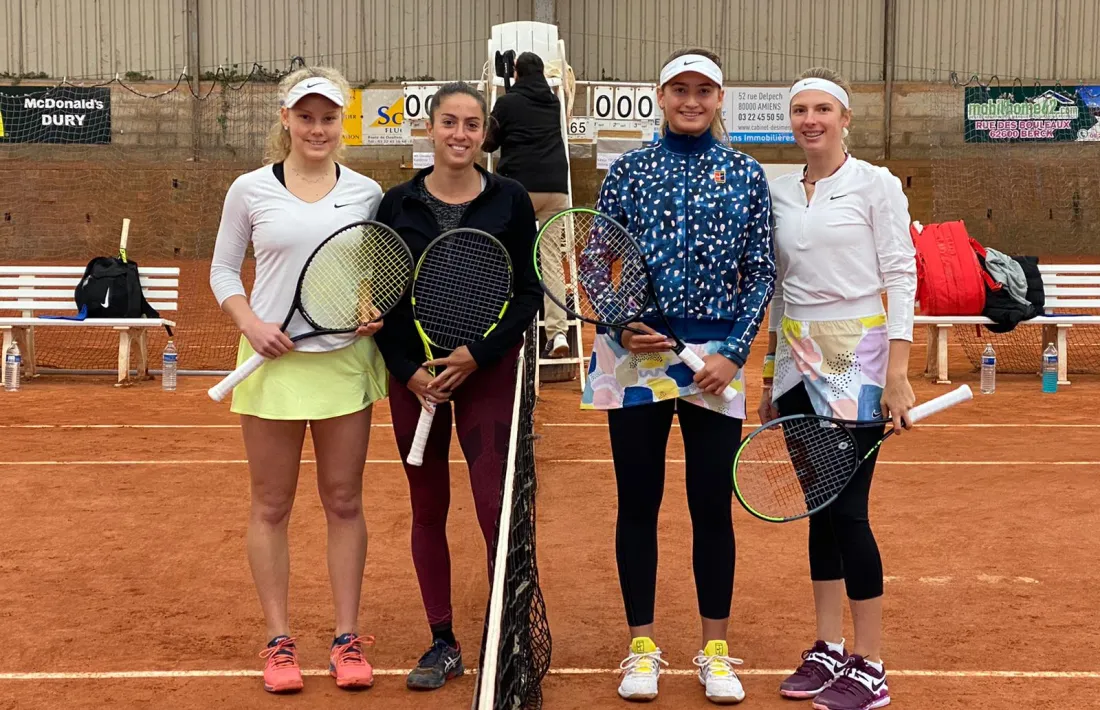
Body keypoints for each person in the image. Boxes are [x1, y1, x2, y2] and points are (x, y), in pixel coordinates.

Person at [581, 48, 775, 704]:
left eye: (704, 90)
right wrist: (617, 323)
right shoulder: (629, 171)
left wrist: (736, 352)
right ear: (660, 97)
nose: (692, 100)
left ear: (721, 99)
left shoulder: (746, 174)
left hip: (714, 362)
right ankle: (642, 648)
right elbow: (592, 259)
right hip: (634, 359)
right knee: (638, 504)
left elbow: (760, 271)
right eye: (680, 89)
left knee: (709, 509)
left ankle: (715, 651)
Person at [209, 66, 387, 694]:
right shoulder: (250, 190)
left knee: (344, 502)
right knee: (271, 504)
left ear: (343, 124)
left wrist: (371, 308)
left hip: (343, 366)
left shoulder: (367, 193)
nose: (317, 128)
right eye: (306, 116)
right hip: (272, 367)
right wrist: (251, 323)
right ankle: (279, 642)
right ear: (285, 119)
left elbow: (373, 268)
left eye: (329, 117)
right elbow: (225, 271)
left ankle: (346, 638)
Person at [371, 81, 543, 691]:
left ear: (484, 134)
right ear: (431, 129)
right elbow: (384, 303)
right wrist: (410, 372)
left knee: (495, 505)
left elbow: (526, 295)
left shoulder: (511, 200)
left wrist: (475, 354)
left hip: (486, 373)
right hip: (415, 379)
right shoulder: (394, 205)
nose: (461, 134)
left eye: (472, 124)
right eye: (450, 122)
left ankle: (510, 635)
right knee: (428, 508)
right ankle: (442, 641)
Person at [762, 67, 917, 710]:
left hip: (855, 355)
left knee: (849, 510)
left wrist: (900, 373)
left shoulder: (875, 185)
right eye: (800, 109)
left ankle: (871, 665)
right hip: (796, 358)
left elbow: (901, 276)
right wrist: (770, 375)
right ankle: (828, 649)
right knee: (818, 509)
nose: (810, 119)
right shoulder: (778, 190)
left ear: (845, 118)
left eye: (822, 108)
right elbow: (777, 289)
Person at [482, 51, 572, 358]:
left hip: (519, 187)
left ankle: (499, 324)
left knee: (506, 254)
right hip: (556, 188)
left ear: (516, 74)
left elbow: (489, 142)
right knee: (550, 261)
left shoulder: (507, 103)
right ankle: (558, 333)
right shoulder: (553, 102)